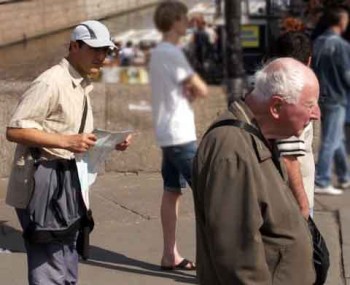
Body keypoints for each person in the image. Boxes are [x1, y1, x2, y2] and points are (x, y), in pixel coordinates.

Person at [5, 20, 131, 285]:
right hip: (44, 185)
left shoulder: (80, 82)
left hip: (65, 183)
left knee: (66, 261)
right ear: (74, 46)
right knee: (50, 267)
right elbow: (14, 130)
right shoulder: (51, 82)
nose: (101, 57)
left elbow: (72, 133)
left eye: (105, 51)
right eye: (95, 50)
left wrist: (108, 142)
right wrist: (65, 142)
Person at [192, 58, 320, 284]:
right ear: (276, 107)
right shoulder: (232, 148)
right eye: (310, 105)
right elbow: (238, 260)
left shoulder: (260, 136)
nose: (316, 114)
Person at [149, 0, 208, 270]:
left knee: (172, 192)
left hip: (166, 133)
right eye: (184, 20)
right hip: (180, 135)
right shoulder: (173, 53)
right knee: (210, 194)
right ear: (174, 22)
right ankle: (212, 262)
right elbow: (200, 89)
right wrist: (194, 88)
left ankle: (169, 254)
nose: (187, 24)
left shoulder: (158, 53)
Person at [267, 31, 317, 218]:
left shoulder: (264, 87)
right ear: (309, 61)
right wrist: (303, 205)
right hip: (291, 199)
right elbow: (289, 158)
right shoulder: (293, 97)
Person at [312, 7, 350, 194]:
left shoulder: (318, 42)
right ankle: (322, 179)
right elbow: (347, 74)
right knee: (330, 140)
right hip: (337, 96)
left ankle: (344, 176)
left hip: (322, 95)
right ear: (342, 22)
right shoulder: (342, 46)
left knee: (337, 137)